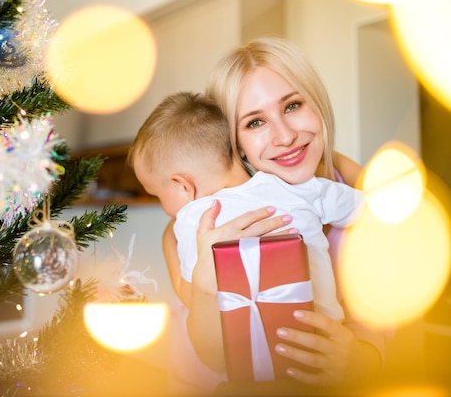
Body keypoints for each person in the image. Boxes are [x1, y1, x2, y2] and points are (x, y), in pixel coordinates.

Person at [161, 37, 387, 391]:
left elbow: (393, 323)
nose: (285, 136)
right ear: (233, 144)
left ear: (318, 104)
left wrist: (362, 359)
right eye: (254, 122)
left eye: (293, 105)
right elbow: (207, 355)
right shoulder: (198, 227)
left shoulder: (364, 197)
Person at [129, 91, 364, 323]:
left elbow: (195, 300)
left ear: (183, 185)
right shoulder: (292, 185)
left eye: (157, 195)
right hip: (325, 332)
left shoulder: (194, 219)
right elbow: (363, 207)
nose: (164, 208)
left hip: (251, 342)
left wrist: (171, 250)